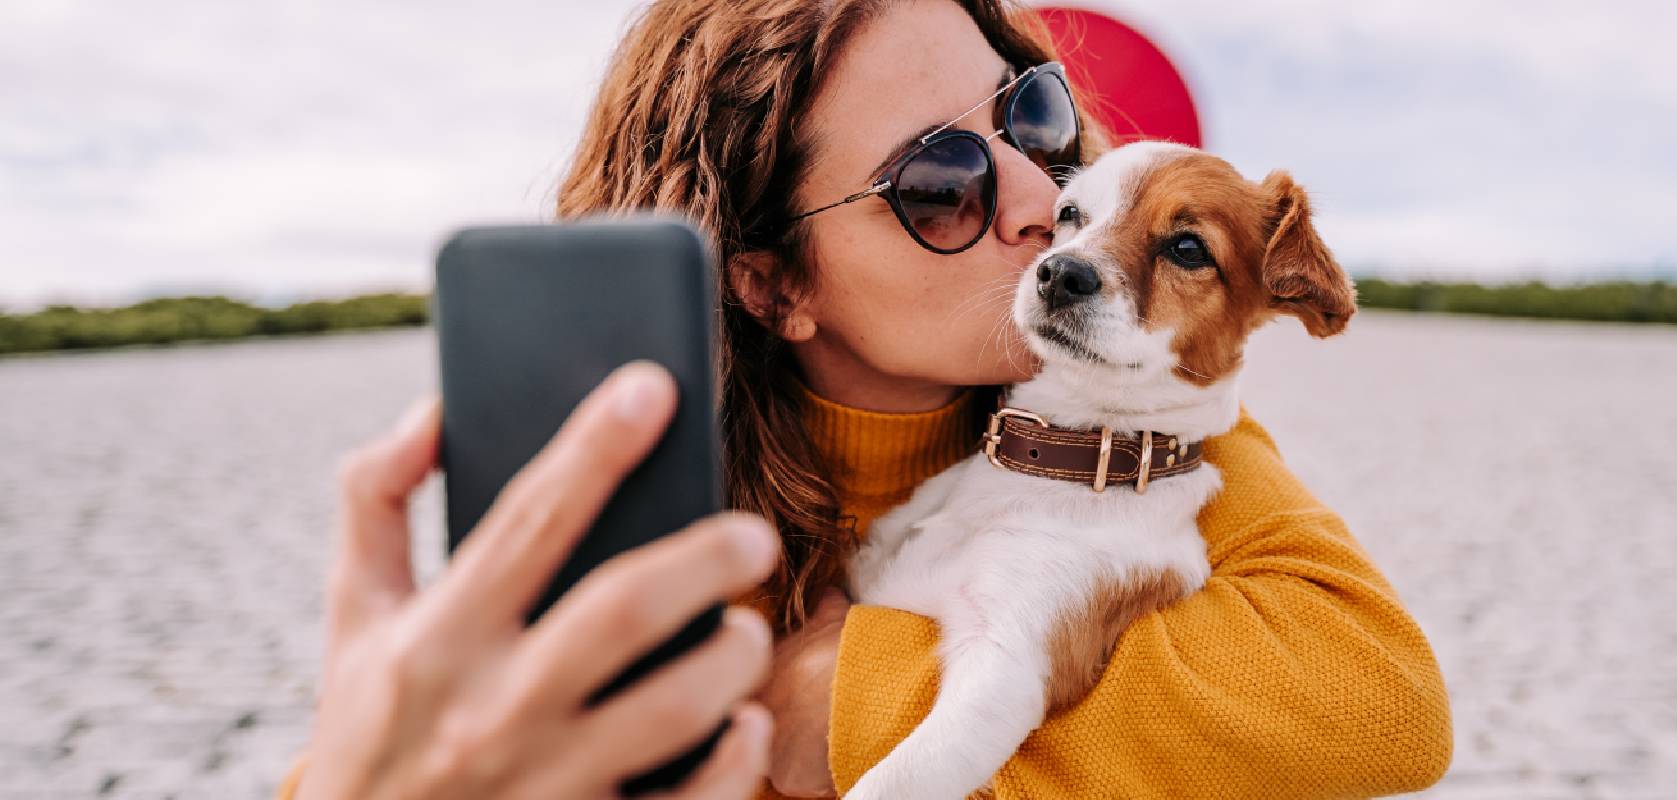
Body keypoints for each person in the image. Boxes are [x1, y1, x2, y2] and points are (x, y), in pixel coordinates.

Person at [280, 0, 1453, 797]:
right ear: (773, 283)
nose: (1037, 198)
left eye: (1030, 114)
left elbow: (1382, 698)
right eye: (937, 182)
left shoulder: (1122, 415)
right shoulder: (640, 522)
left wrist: (853, 693)